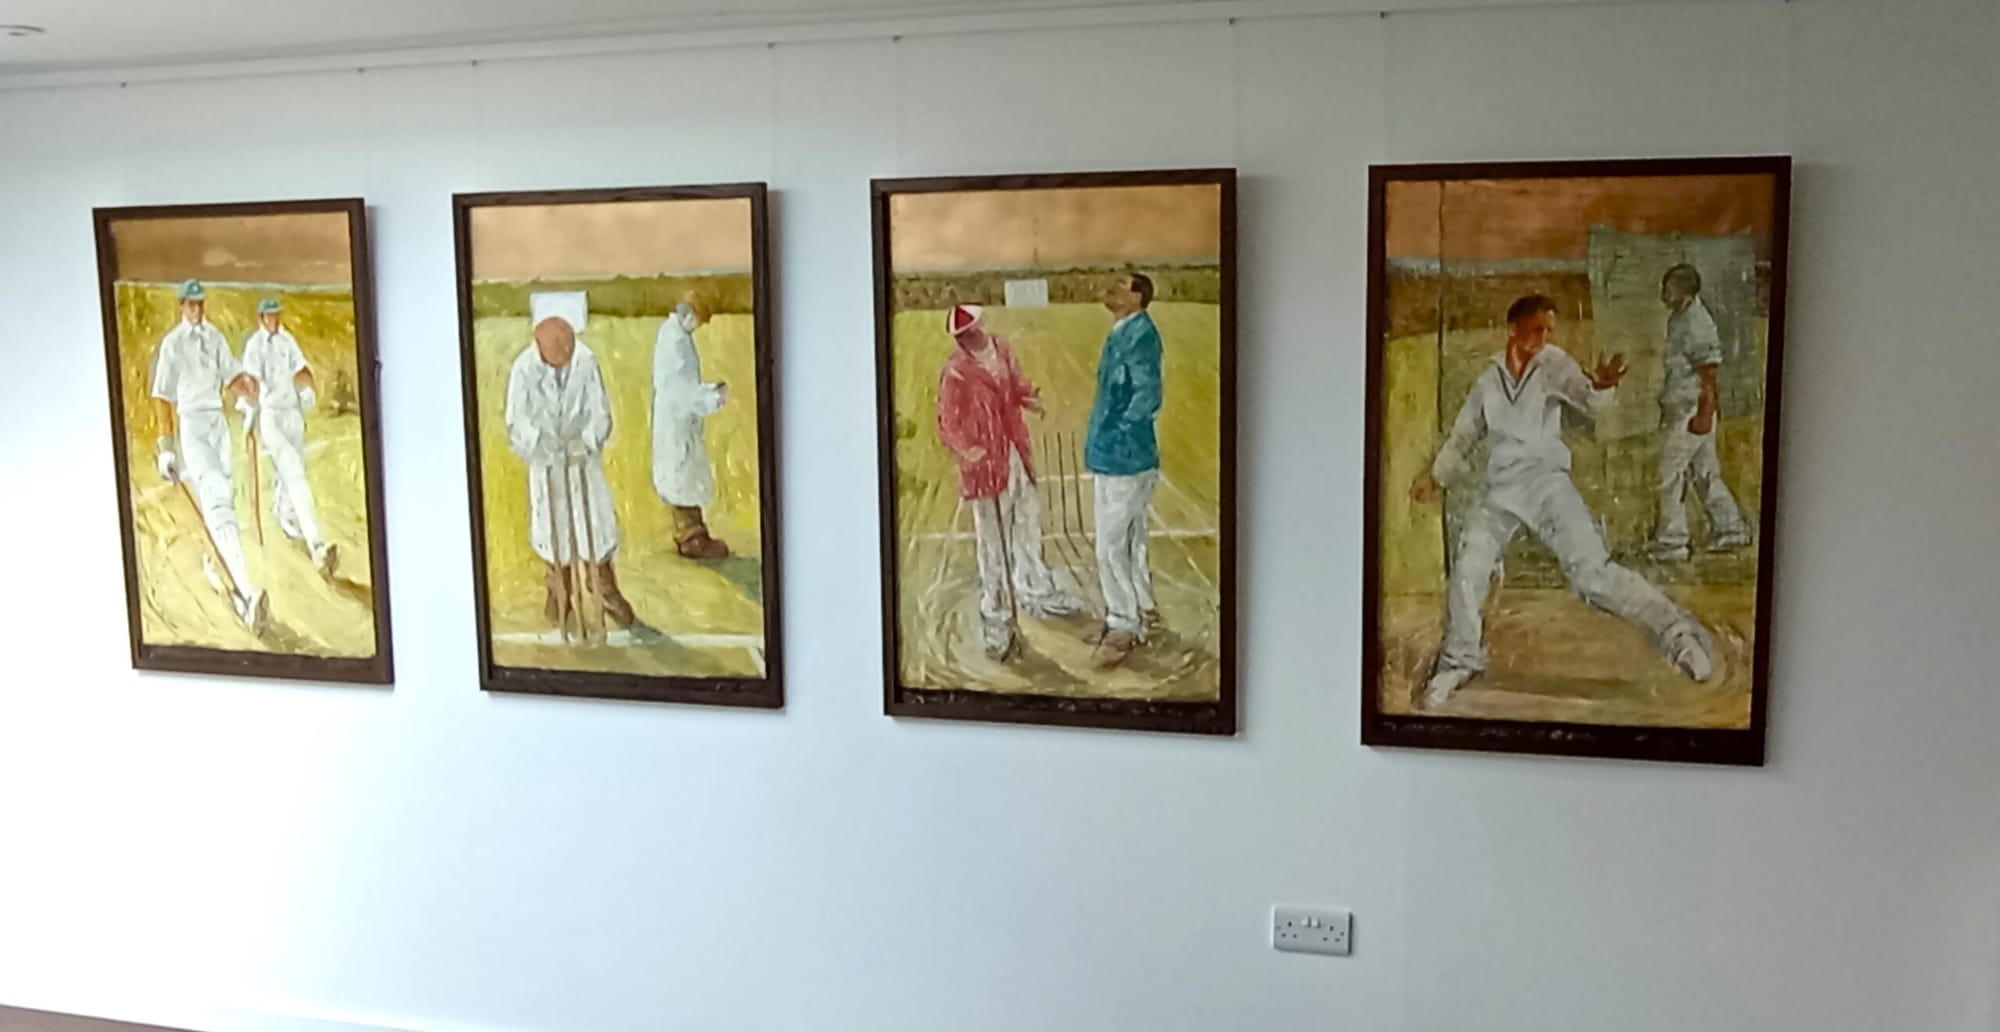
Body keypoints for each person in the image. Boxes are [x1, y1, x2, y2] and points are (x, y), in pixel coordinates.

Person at [1410, 294, 1716, 708]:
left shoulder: (1553, 364)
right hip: (1500, 489)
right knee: (1468, 569)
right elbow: (1464, 435)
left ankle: (1679, 637)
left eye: (1548, 330)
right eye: (1536, 329)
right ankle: (1458, 661)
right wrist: (1435, 476)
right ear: (1513, 329)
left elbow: (1588, 399)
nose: (1543, 337)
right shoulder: (1488, 380)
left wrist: (1603, 387)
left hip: (1547, 484)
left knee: (1593, 574)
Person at [935, 303, 1082, 658]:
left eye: (973, 328)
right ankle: (997, 618)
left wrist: (1029, 398)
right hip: (986, 467)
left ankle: (1036, 591)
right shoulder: (956, 372)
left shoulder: (1001, 349)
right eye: (963, 334)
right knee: (992, 545)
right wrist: (967, 450)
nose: (971, 336)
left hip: (1016, 453)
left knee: (1027, 524)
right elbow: (947, 422)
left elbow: (1015, 387)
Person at [503, 295, 651, 640]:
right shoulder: (523, 369)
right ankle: (559, 595)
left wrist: (587, 440)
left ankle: (606, 592)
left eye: (567, 341)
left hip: (582, 462)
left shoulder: (586, 362)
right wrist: (540, 442)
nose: (564, 349)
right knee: (552, 529)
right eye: (556, 343)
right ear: (539, 340)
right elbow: (516, 421)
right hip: (547, 464)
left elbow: (600, 411)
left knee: (594, 528)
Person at [150, 279, 268, 631]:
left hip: (217, 423)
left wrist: (248, 397)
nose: (197, 309)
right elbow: (162, 396)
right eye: (191, 304)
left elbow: (232, 377)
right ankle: (247, 593)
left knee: (223, 499)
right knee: (216, 499)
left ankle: (219, 570)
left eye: (200, 303)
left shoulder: (214, 336)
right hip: (193, 424)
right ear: (181, 306)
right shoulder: (173, 345)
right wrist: (166, 447)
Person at [1083, 273, 1164, 669]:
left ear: (1138, 298)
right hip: (1121, 455)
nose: (1110, 291)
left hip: (1124, 457)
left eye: (1120, 287)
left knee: (1111, 545)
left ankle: (1122, 624)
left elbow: (1147, 394)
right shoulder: (1126, 331)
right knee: (1132, 541)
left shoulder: (1139, 336)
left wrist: (1118, 431)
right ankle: (1144, 608)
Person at [1650, 264, 1751, 561]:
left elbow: (1708, 372)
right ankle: (1732, 529)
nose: (1663, 294)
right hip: (1682, 407)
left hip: (1690, 410)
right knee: (1705, 472)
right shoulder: (1679, 318)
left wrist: (1704, 414)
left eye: (1668, 289)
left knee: (1669, 475)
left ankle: (1672, 542)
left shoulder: (1696, 323)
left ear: (1684, 290)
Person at [239, 297, 338, 578]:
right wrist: (249, 409)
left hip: (293, 414)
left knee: (291, 471)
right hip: (271, 416)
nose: (274, 320)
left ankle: (284, 516)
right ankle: (317, 547)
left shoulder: (287, 341)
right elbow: (250, 382)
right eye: (269, 316)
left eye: (276, 315)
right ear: (261, 318)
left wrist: (306, 389)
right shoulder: (254, 345)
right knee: (294, 472)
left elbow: (301, 371)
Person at [651, 293, 730, 560]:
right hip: (678, 420)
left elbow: (684, 386)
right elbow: (682, 390)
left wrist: (709, 390)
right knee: (683, 475)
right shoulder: (675, 341)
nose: (698, 325)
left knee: (682, 475)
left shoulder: (673, 335)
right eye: (699, 319)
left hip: (677, 418)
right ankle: (691, 539)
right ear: (689, 313)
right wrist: (713, 398)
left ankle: (689, 534)